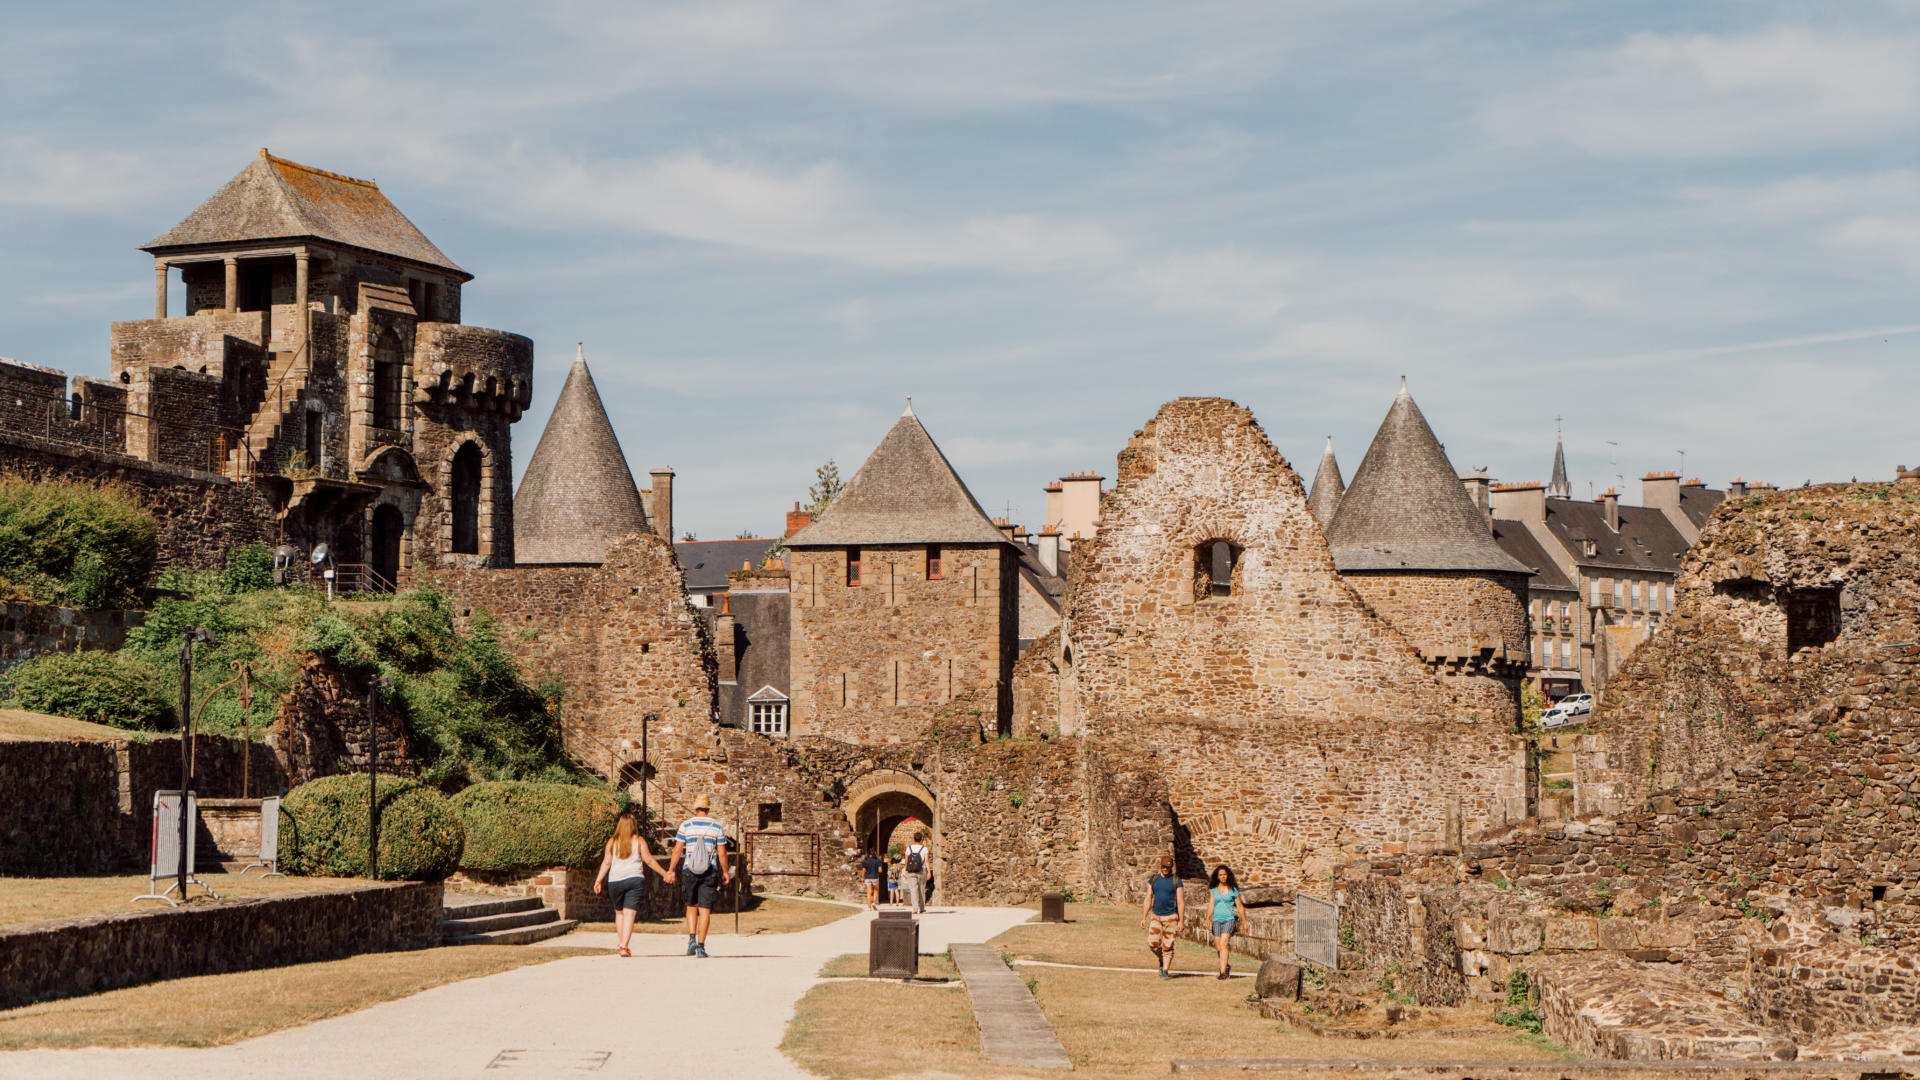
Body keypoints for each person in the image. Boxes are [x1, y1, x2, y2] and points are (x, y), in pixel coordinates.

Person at [592, 811, 667, 958]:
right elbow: (649, 861)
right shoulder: (639, 841)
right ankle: (624, 945)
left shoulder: (612, 842)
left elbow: (607, 862)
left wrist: (598, 880)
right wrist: (664, 873)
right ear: (633, 826)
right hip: (634, 879)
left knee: (619, 912)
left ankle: (622, 945)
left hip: (615, 880)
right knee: (630, 913)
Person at [664, 795, 730, 958]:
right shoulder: (716, 826)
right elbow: (722, 852)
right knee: (705, 909)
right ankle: (701, 947)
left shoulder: (686, 825)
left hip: (689, 870)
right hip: (710, 871)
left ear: (696, 808)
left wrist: (671, 869)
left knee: (691, 905)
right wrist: (725, 872)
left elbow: (678, 849)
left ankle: (692, 938)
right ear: (708, 808)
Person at [1138, 854, 1185, 979]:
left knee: (1168, 945)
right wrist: (1144, 917)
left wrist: (1181, 921)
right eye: (1164, 867)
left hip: (1171, 917)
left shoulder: (1177, 881)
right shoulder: (1154, 880)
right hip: (1156, 916)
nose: (1165, 869)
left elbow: (1181, 902)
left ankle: (1165, 970)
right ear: (1160, 866)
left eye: (1168, 867)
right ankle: (1162, 960)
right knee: (1153, 944)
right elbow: (1148, 898)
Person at [1208, 863, 1246, 980]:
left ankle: (1223, 972)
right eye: (1221, 875)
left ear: (1228, 875)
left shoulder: (1233, 890)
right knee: (1219, 947)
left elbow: (1239, 906)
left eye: (1225, 874)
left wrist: (1245, 922)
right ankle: (1226, 965)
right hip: (1216, 920)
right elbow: (1211, 905)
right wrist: (1207, 918)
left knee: (1224, 944)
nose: (1223, 876)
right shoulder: (1214, 890)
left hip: (1229, 919)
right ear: (1217, 876)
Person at [898, 830, 931, 914]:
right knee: (921, 889)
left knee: (913, 889)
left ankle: (915, 908)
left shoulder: (909, 848)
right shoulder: (925, 849)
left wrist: (904, 872)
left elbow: (906, 861)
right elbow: (927, 861)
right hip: (922, 870)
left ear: (914, 839)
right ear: (921, 839)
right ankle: (922, 908)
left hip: (911, 871)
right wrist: (929, 872)